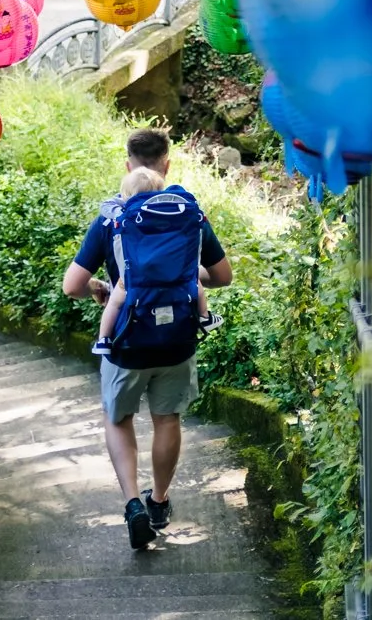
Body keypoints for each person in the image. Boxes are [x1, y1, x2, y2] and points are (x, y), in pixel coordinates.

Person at [62, 130, 232, 549]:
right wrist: (185, 277)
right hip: (177, 337)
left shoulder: (112, 217)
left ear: (127, 165)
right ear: (167, 165)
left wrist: (104, 288)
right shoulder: (189, 213)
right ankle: (158, 500)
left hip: (127, 341)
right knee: (167, 419)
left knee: (118, 419)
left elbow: (71, 285)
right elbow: (223, 276)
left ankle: (132, 503)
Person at [91, 165, 208, 354]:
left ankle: (104, 339)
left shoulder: (127, 214)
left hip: (135, 280)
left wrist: (121, 206)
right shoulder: (175, 217)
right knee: (195, 282)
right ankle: (205, 317)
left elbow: (105, 207)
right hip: (175, 278)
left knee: (114, 302)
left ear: (126, 195)